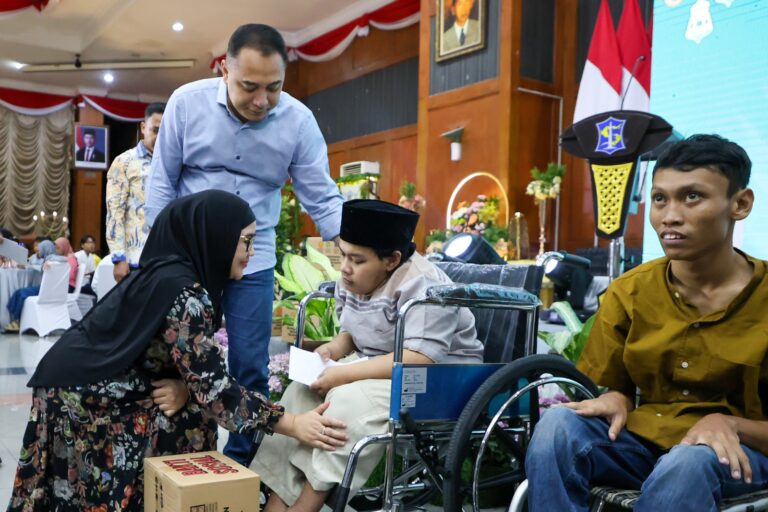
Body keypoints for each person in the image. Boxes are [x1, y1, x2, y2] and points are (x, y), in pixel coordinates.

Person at [7, 190, 347, 511]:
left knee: (192, 412)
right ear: (216, 238)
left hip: (82, 379)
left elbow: (191, 369)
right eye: (246, 241)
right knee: (192, 417)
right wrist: (292, 423)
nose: (251, 252)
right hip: (82, 394)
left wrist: (187, 387)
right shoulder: (186, 292)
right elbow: (215, 390)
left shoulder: (170, 273)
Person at [525, 134, 768, 512]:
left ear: (740, 203)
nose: (670, 215)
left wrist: (733, 424)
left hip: (740, 455)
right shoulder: (631, 290)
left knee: (687, 463)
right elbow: (614, 386)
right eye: (660, 199)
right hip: (644, 442)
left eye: (692, 197)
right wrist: (614, 397)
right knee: (557, 427)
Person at [145, 23, 344, 465]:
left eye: (273, 88)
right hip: (190, 258)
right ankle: (177, 456)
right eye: (249, 87)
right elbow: (162, 185)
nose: (261, 100)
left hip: (253, 261)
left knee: (250, 364)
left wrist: (362, 247)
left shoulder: (297, 121)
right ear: (225, 71)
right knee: (172, 359)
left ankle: (238, 466)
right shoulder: (186, 104)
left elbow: (323, 198)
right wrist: (154, 260)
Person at [253, 199, 484, 512]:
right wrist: (333, 349)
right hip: (382, 367)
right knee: (300, 393)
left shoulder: (424, 284)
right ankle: (277, 499)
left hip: (436, 380)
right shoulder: (353, 276)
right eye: (344, 255)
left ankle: (307, 504)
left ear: (391, 260)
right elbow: (356, 331)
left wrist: (342, 374)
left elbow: (418, 357)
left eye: (357, 260)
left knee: (344, 403)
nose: (345, 268)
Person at [106, 102, 165, 283]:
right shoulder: (124, 162)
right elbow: (114, 211)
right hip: (135, 259)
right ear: (143, 127)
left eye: (165, 132)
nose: (160, 137)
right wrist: (118, 257)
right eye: (155, 130)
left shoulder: (173, 163)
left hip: (167, 259)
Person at [4, 240, 66, 332]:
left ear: (46, 249)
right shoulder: (49, 258)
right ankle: (16, 319)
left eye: (40, 250)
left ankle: (17, 321)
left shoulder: (52, 259)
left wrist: (48, 263)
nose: (38, 251)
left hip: (45, 290)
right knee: (19, 292)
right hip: (48, 289)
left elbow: (64, 259)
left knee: (21, 293)